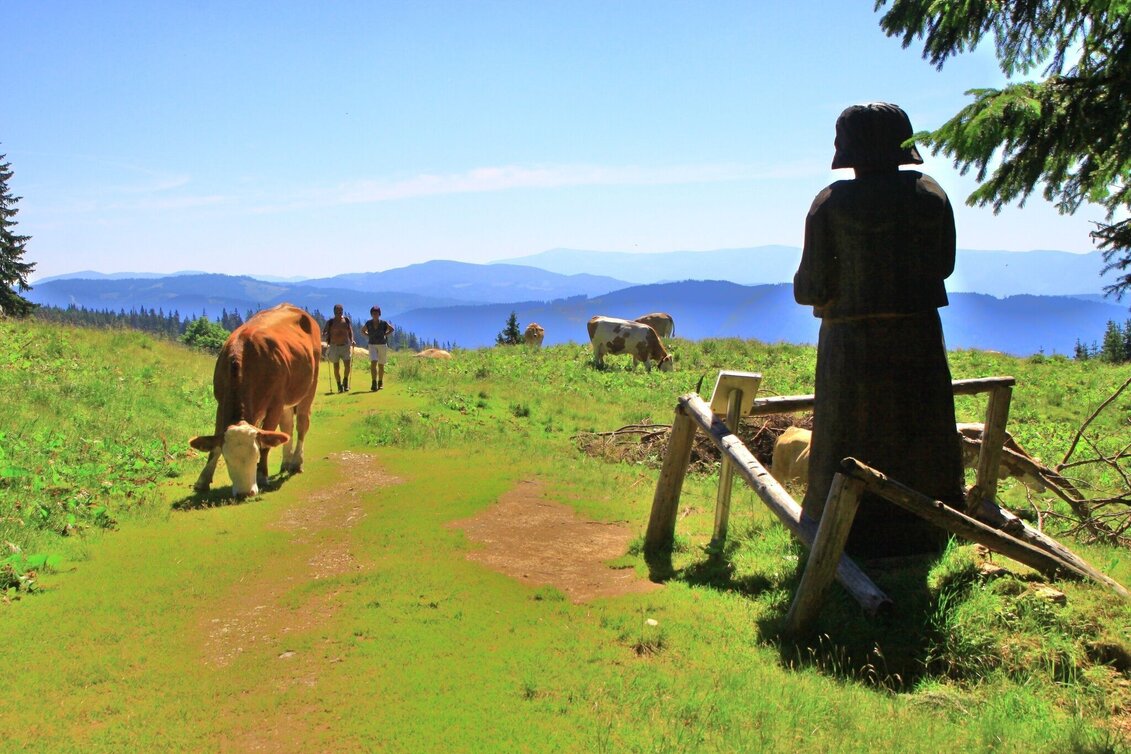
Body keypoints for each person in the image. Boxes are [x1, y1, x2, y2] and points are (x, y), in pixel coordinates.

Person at [794, 102, 965, 558]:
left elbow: (810, 285)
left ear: (846, 146)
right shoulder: (931, 194)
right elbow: (944, 265)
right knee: (923, 434)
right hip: (920, 340)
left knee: (846, 437)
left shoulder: (831, 203)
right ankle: (935, 525)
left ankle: (841, 531)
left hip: (849, 347)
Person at [361, 305, 395, 391]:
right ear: (371, 314)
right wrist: (368, 336)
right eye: (373, 313)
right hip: (372, 345)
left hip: (382, 345)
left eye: (376, 313)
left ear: (379, 314)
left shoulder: (383, 323)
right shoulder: (368, 323)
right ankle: (374, 382)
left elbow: (392, 329)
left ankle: (380, 381)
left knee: (381, 365)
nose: (375, 315)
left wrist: (385, 334)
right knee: (373, 363)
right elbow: (362, 330)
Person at [324, 303, 355, 393]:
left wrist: (352, 340)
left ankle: (345, 382)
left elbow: (350, 331)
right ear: (334, 312)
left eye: (340, 311)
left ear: (342, 311)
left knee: (347, 366)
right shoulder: (330, 322)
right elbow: (324, 331)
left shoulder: (346, 320)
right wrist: (326, 335)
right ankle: (339, 385)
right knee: (336, 368)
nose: (339, 312)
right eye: (337, 311)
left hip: (345, 346)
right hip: (334, 346)